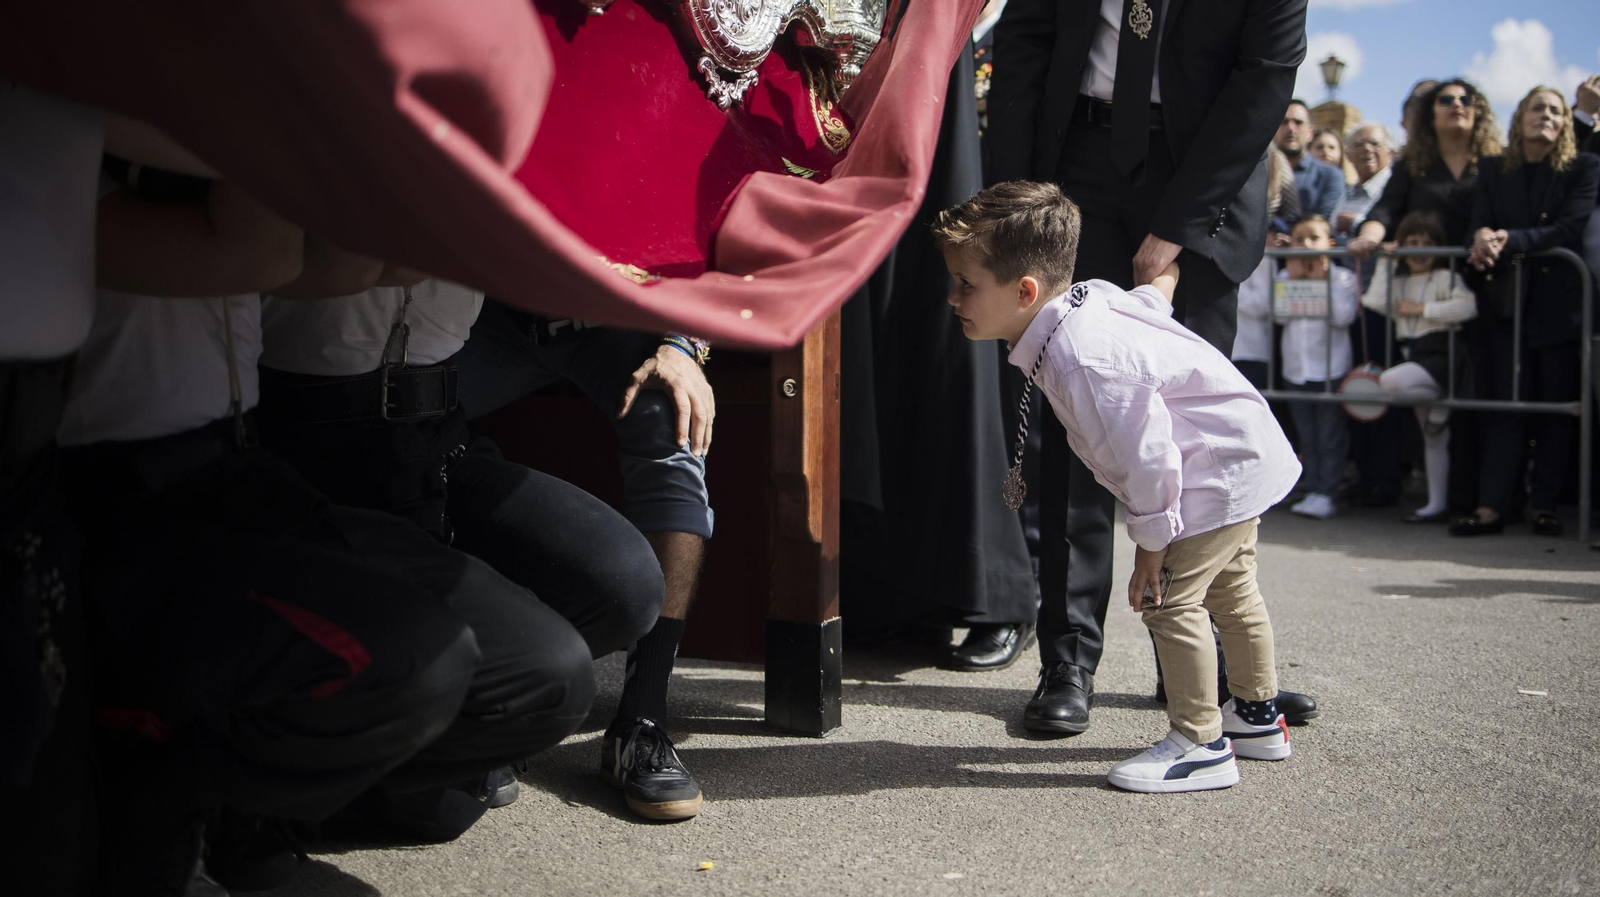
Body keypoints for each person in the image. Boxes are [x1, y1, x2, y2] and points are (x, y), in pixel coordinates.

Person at [68, 161, 631, 893]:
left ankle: (255, 802)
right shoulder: (81, 145)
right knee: (417, 674)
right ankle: (179, 816)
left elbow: (366, 261)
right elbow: (281, 258)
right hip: (131, 489)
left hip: (276, 460)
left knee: (547, 672)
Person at [987, 0, 1314, 734]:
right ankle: (1068, 660)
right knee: (1080, 425)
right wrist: (1011, 204)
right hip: (1077, 164)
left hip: (1201, 172)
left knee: (1199, 437)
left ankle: (1220, 676)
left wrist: (1179, 226)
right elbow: (1025, 43)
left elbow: (1264, 80)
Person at [253, 279, 678, 820]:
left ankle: (453, 712)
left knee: (623, 584)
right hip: (302, 442)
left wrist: (682, 341)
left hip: (433, 441)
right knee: (437, 811)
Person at [936, 181, 1299, 792]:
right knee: (1235, 592)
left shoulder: (1084, 359)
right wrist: (1163, 280)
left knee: (1170, 601)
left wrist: (1151, 549)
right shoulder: (1085, 304)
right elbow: (1148, 306)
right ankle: (1257, 717)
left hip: (1208, 478)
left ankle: (1201, 742)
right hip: (1239, 461)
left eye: (966, 284)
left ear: (1025, 291)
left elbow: (1148, 459)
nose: (954, 298)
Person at [451, 300, 718, 820]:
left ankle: (641, 720)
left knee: (673, 419)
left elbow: (710, 233)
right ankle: (462, 704)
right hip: (489, 310)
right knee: (403, 414)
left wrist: (684, 342)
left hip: (614, 313)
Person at [1453, 86, 1600, 537]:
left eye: (1556, 111)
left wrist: (1510, 240)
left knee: (1556, 408)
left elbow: (1569, 228)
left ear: (1565, 123)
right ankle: (1494, 506)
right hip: (1506, 304)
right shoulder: (1495, 168)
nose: (1547, 117)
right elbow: (1481, 216)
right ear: (1520, 117)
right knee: (1506, 407)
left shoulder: (1584, 166)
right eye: (1538, 108)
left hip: (1559, 306)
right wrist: (1481, 235)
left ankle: (1545, 505)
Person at [1351, 78, 1502, 517]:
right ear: (1429, 112)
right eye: (1446, 99)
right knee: (1436, 407)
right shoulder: (1414, 165)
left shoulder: (1492, 162)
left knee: (1484, 402)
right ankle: (1443, 500)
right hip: (1429, 294)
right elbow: (1385, 212)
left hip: (1487, 289)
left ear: (1479, 110)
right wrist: (1370, 234)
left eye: (1465, 99)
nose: (1457, 105)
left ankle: (1481, 500)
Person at [1361, 211, 1478, 523]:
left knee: (1389, 383)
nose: (1420, 250)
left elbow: (1467, 306)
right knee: (1433, 438)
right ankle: (1435, 504)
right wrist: (1385, 261)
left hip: (1441, 353)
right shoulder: (1398, 281)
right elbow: (1375, 301)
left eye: (1428, 243)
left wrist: (1426, 309)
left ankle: (1439, 399)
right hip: (1412, 355)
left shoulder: (1445, 277)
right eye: (1412, 243)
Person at [1278, 215, 1359, 520]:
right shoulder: (1286, 277)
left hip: (1330, 369)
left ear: (1330, 244)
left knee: (1329, 435)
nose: (1306, 245)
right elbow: (1281, 317)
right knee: (1307, 435)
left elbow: (1342, 316)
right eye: (1299, 239)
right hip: (1296, 369)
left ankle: (1327, 492)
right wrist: (1296, 282)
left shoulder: (1342, 278)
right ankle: (1311, 487)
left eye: (1314, 238)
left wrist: (1317, 283)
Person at [1275, 99, 1344, 222]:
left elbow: (1322, 223)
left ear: (1310, 133)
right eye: (1283, 122)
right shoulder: (1257, 173)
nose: (1291, 128)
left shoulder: (1330, 176)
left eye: (1298, 122)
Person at [1333, 123, 1396, 245]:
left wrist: (1355, 223)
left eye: (1374, 143)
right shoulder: (1345, 193)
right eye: (1358, 144)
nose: (1366, 149)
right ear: (1348, 155)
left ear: (1390, 154)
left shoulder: (1395, 189)